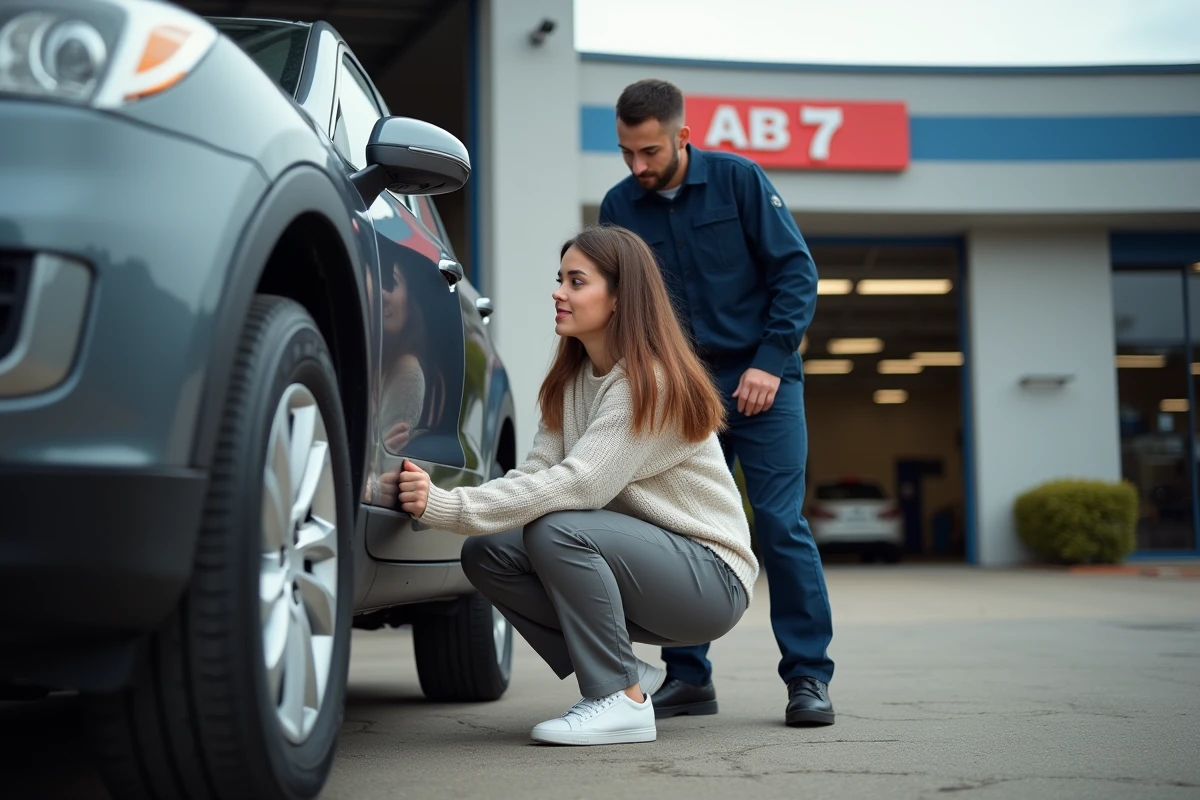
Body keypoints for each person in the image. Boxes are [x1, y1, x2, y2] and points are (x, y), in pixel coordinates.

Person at [396, 225, 759, 746]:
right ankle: (630, 676)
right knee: (488, 553)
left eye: (576, 281)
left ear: (618, 299)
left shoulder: (645, 382)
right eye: (559, 279)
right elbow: (536, 474)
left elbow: (580, 484)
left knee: (560, 529)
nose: (557, 292)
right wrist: (460, 508)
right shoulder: (571, 382)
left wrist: (448, 506)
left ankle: (619, 700)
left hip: (710, 577)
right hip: (650, 571)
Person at [597, 78, 835, 727]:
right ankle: (689, 677)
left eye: (648, 152)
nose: (637, 167)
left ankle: (808, 678)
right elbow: (624, 310)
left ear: (682, 136)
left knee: (781, 525)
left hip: (764, 379)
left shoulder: (740, 181)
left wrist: (770, 361)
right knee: (679, 530)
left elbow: (796, 273)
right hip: (682, 392)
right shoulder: (619, 206)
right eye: (626, 153)